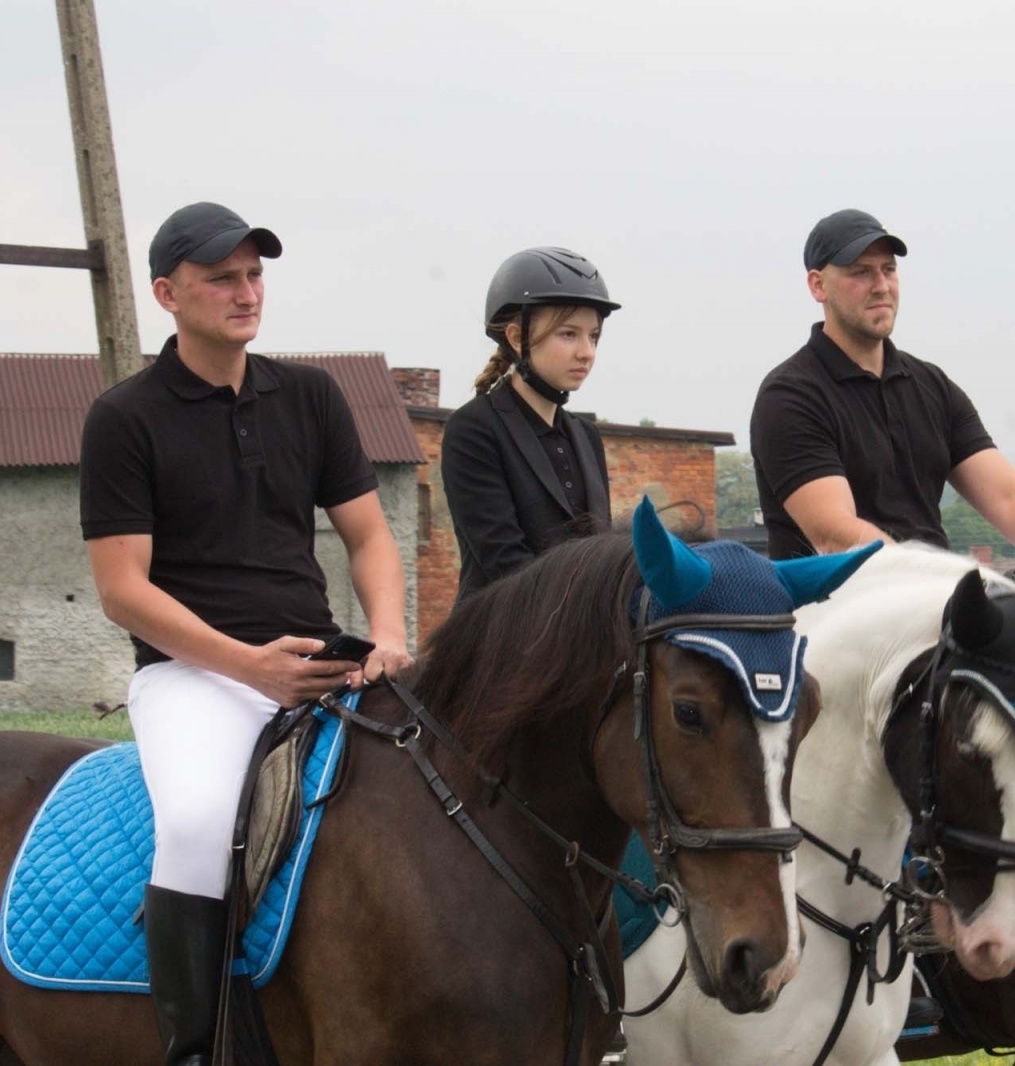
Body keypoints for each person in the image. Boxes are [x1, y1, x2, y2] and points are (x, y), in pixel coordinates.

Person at [79, 202, 412, 1066]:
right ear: (166, 293)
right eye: (220, 277)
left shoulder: (309, 394)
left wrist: (386, 635)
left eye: (254, 274)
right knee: (194, 821)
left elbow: (370, 535)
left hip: (316, 657)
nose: (245, 291)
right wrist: (244, 668)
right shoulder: (124, 418)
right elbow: (121, 590)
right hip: (193, 674)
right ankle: (200, 1048)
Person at [750, 208, 1015, 574]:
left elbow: (1010, 499)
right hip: (831, 616)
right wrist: (952, 587)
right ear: (818, 285)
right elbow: (834, 534)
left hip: (938, 614)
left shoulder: (932, 387)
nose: (881, 285)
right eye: (861, 272)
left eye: (888, 270)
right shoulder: (791, 397)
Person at [441, 247, 618, 602]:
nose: (586, 351)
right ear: (516, 337)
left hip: (583, 637)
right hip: (499, 639)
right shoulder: (473, 430)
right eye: (568, 334)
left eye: (593, 336)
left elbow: (601, 555)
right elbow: (505, 562)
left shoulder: (587, 437)